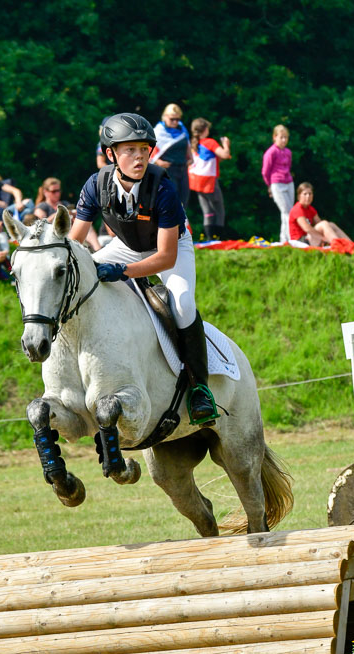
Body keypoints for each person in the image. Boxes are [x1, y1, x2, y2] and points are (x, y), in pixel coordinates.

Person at [70, 112, 217, 424]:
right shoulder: (96, 185)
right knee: (81, 283)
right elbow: (75, 241)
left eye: (143, 150)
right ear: (110, 154)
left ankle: (199, 388)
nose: (139, 157)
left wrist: (123, 272)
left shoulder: (163, 188)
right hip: (125, 245)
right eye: (129, 150)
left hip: (172, 248)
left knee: (182, 302)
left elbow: (164, 257)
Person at [188, 117, 231, 241]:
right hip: (208, 182)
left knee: (207, 210)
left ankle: (209, 238)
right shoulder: (210, 142)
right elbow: (225, 154)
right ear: (205, 130)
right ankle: (218, 238)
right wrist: (226, 145)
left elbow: (213, 158)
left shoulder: (194, 144)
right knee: (219, 209)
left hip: (195, 181)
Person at [151, 104, 192, 208]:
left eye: (177, 119)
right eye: (172, 119)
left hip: (182, 168)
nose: (175, 122)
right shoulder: (158, 131)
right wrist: (158, 162)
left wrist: (191, 158)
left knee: (184, 199)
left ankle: (181, 223)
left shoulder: (182, 128)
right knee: (170, 199)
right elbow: (149, 150)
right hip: (168, 170)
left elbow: (187, 144)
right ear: (165, 117)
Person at [289, 182, 353, 246]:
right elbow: (307, 228)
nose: (308, 196)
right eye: (305, 194)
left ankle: (350, 244)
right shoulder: (297, 209)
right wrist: (324, 238)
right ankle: (339, 246)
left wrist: (326, 232)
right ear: (299, 196)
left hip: (310, 237)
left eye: (310, 194)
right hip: (300, 240)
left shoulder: (310, 209)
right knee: (324, 224)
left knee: (331, 224)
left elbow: (319, 223)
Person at [261, 125, 294, 242]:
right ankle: (289, 238)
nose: (284, 140)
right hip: (277, 183)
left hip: (289, 182)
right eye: (281, 137)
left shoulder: (288, 152)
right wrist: (269, 185)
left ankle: (284, 238)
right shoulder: (270, 152)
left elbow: (288, 166)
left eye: (286, 137)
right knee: (286, 211)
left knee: (290, 211)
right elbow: (265, 171)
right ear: (275, 137)